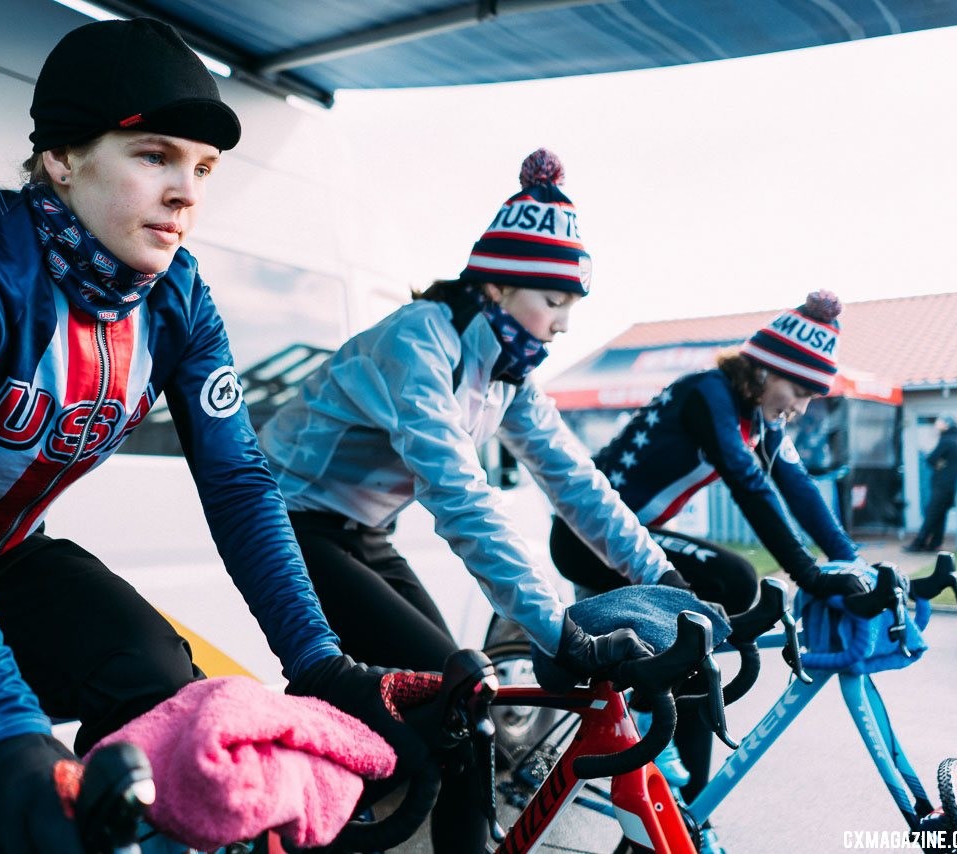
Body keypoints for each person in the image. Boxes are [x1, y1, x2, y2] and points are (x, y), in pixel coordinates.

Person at [0, 19, 417, 853]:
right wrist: (8, 729)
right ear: (62, 158)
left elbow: (239, 483)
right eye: (155, 156)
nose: (187, 193)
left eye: (202, 168)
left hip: (4, 558)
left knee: (158, 680)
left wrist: (320, 662)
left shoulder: (177, 295)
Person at [258, 149, 685, 851]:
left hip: (358, 531)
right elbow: (457, 493)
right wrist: (558, 630)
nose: (565, 323)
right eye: (554, 301)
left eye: (572, 306)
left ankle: (312, 805)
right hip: (285, 522)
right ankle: (288, 805)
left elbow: (576, 482)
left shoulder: (504, 373)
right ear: (495, 286)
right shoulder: (420, 337)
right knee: (458, 694)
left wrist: (664, 576)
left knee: (444, 691)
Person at [549, 290, 870, 839]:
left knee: (712, 612)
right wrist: (809, 575)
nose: (801, 406)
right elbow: (749, 486)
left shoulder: (761, 417)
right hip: (587, 537)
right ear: (766, 371)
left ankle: (674, 763)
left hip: (636, 538)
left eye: (813, 397)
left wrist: (853, 563)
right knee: (733, 579)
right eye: (799, 390)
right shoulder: (709, 394)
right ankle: (676, 763)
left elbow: (799, 489)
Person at [906, 416, 957, 552]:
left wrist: (939, 465)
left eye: (939, 422)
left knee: (932, 514)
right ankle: (934, 544)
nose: (936, 424)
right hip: (951, 485)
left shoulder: (946, 441)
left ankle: (918, 544)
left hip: (942, 485)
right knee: (940, 515)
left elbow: (931, 459)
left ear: (946, 425)